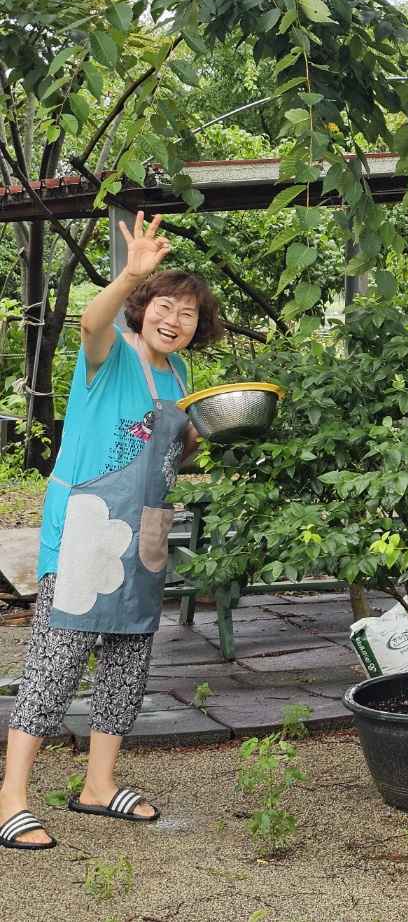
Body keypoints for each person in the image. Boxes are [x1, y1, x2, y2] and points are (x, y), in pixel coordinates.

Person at [0, 213, 222, 850]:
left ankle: (99, 785)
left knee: (127, 661)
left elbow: (178, 450)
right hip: (86, 528)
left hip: (145, 532)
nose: (173, 320)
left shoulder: (180, 380)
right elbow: (90, 323)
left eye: (187, 314)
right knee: (56, 661)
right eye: (164, 305)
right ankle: (11, 796)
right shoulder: (108, 355)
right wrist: (130, 273)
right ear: (143, 306)